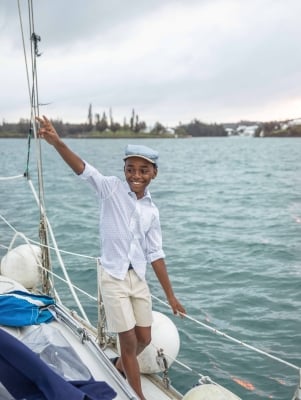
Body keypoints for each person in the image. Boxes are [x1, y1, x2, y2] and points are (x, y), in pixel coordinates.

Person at [36, 115, 186, 400]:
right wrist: (56, 142)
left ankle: (119, 366)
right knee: (128, 342)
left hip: (137, 277)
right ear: (124, 170)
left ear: (154, 173)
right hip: (113, 277)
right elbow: (82, 168)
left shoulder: (152, 211)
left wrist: (171, 296)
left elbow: (155, 253)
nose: (136, 175)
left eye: (143, 170)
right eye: (131, 169)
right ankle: (136, 395)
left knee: (145, 338)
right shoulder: (111, 189)